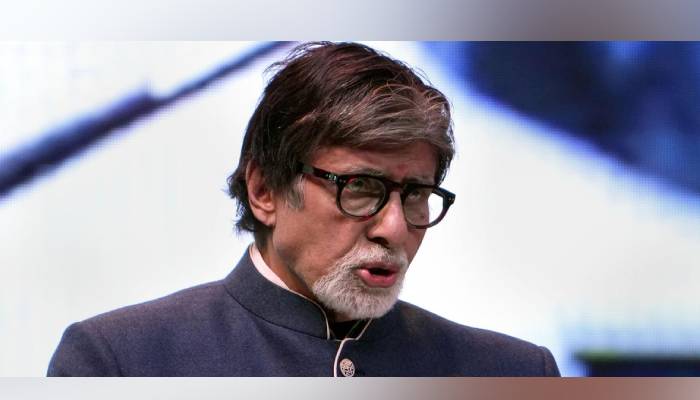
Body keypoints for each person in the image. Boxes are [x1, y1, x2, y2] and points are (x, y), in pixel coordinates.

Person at [48, 42, 560, 377]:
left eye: (415, 194)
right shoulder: (121, 360)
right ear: (264, 191)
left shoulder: (512, 373)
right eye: (360, 188)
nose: (393, 228)